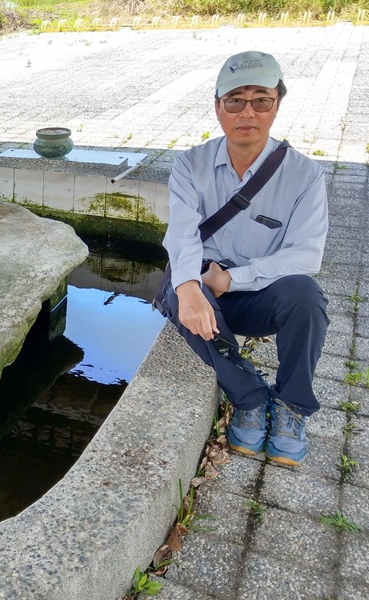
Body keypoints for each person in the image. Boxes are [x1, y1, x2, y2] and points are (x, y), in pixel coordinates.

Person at [161, 50, 329, 466]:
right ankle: (250, 397)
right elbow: (182, 234)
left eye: (261, 100)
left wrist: (233, 280)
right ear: (218, 107)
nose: (247, 112)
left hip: (257, 294)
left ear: (277, 104)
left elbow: (306, 255)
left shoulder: (305, 175)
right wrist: (191, 287)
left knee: (306, 296)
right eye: (235, 100)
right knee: (176, 290)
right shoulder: (190, 165)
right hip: (205, 285)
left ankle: (292, 405)